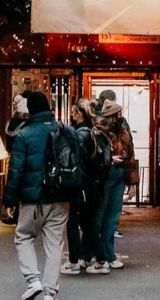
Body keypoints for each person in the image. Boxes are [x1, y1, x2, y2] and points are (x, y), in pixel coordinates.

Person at [5, 91, 70, 300]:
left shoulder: (24, 134)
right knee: (55, 244)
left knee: (24, 236)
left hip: (33, 198)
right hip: (61, 196)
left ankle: (33, 280)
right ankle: (50, 292)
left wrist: (10, 200)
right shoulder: (64, 130)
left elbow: (16, 170)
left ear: (31, 110)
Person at [91, 90, 138, 272]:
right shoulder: (98, 132)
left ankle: (107, 254)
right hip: (104, 175)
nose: (119, 116)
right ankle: (99, 255)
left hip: (117, 175)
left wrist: (132, 183)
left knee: (112, 216)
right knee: (100, 216)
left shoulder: (123, 131)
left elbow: (130, 156)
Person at [61, 99, 109, 275]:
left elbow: (77, 158)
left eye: (73, 113)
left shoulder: (81, 134)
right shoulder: (92, 132)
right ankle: (94, 259)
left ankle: (75, 260)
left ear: (79, 114)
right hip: (91, 184)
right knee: (88, 224)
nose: (72, 116)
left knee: (74, 222)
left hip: (81, 184)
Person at [2, 94, 31, 225]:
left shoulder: (10, 124)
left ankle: (12, 211)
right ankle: (21, 215)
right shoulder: (29, 126)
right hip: (27, 159)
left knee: (14, 184)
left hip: (14, 157)